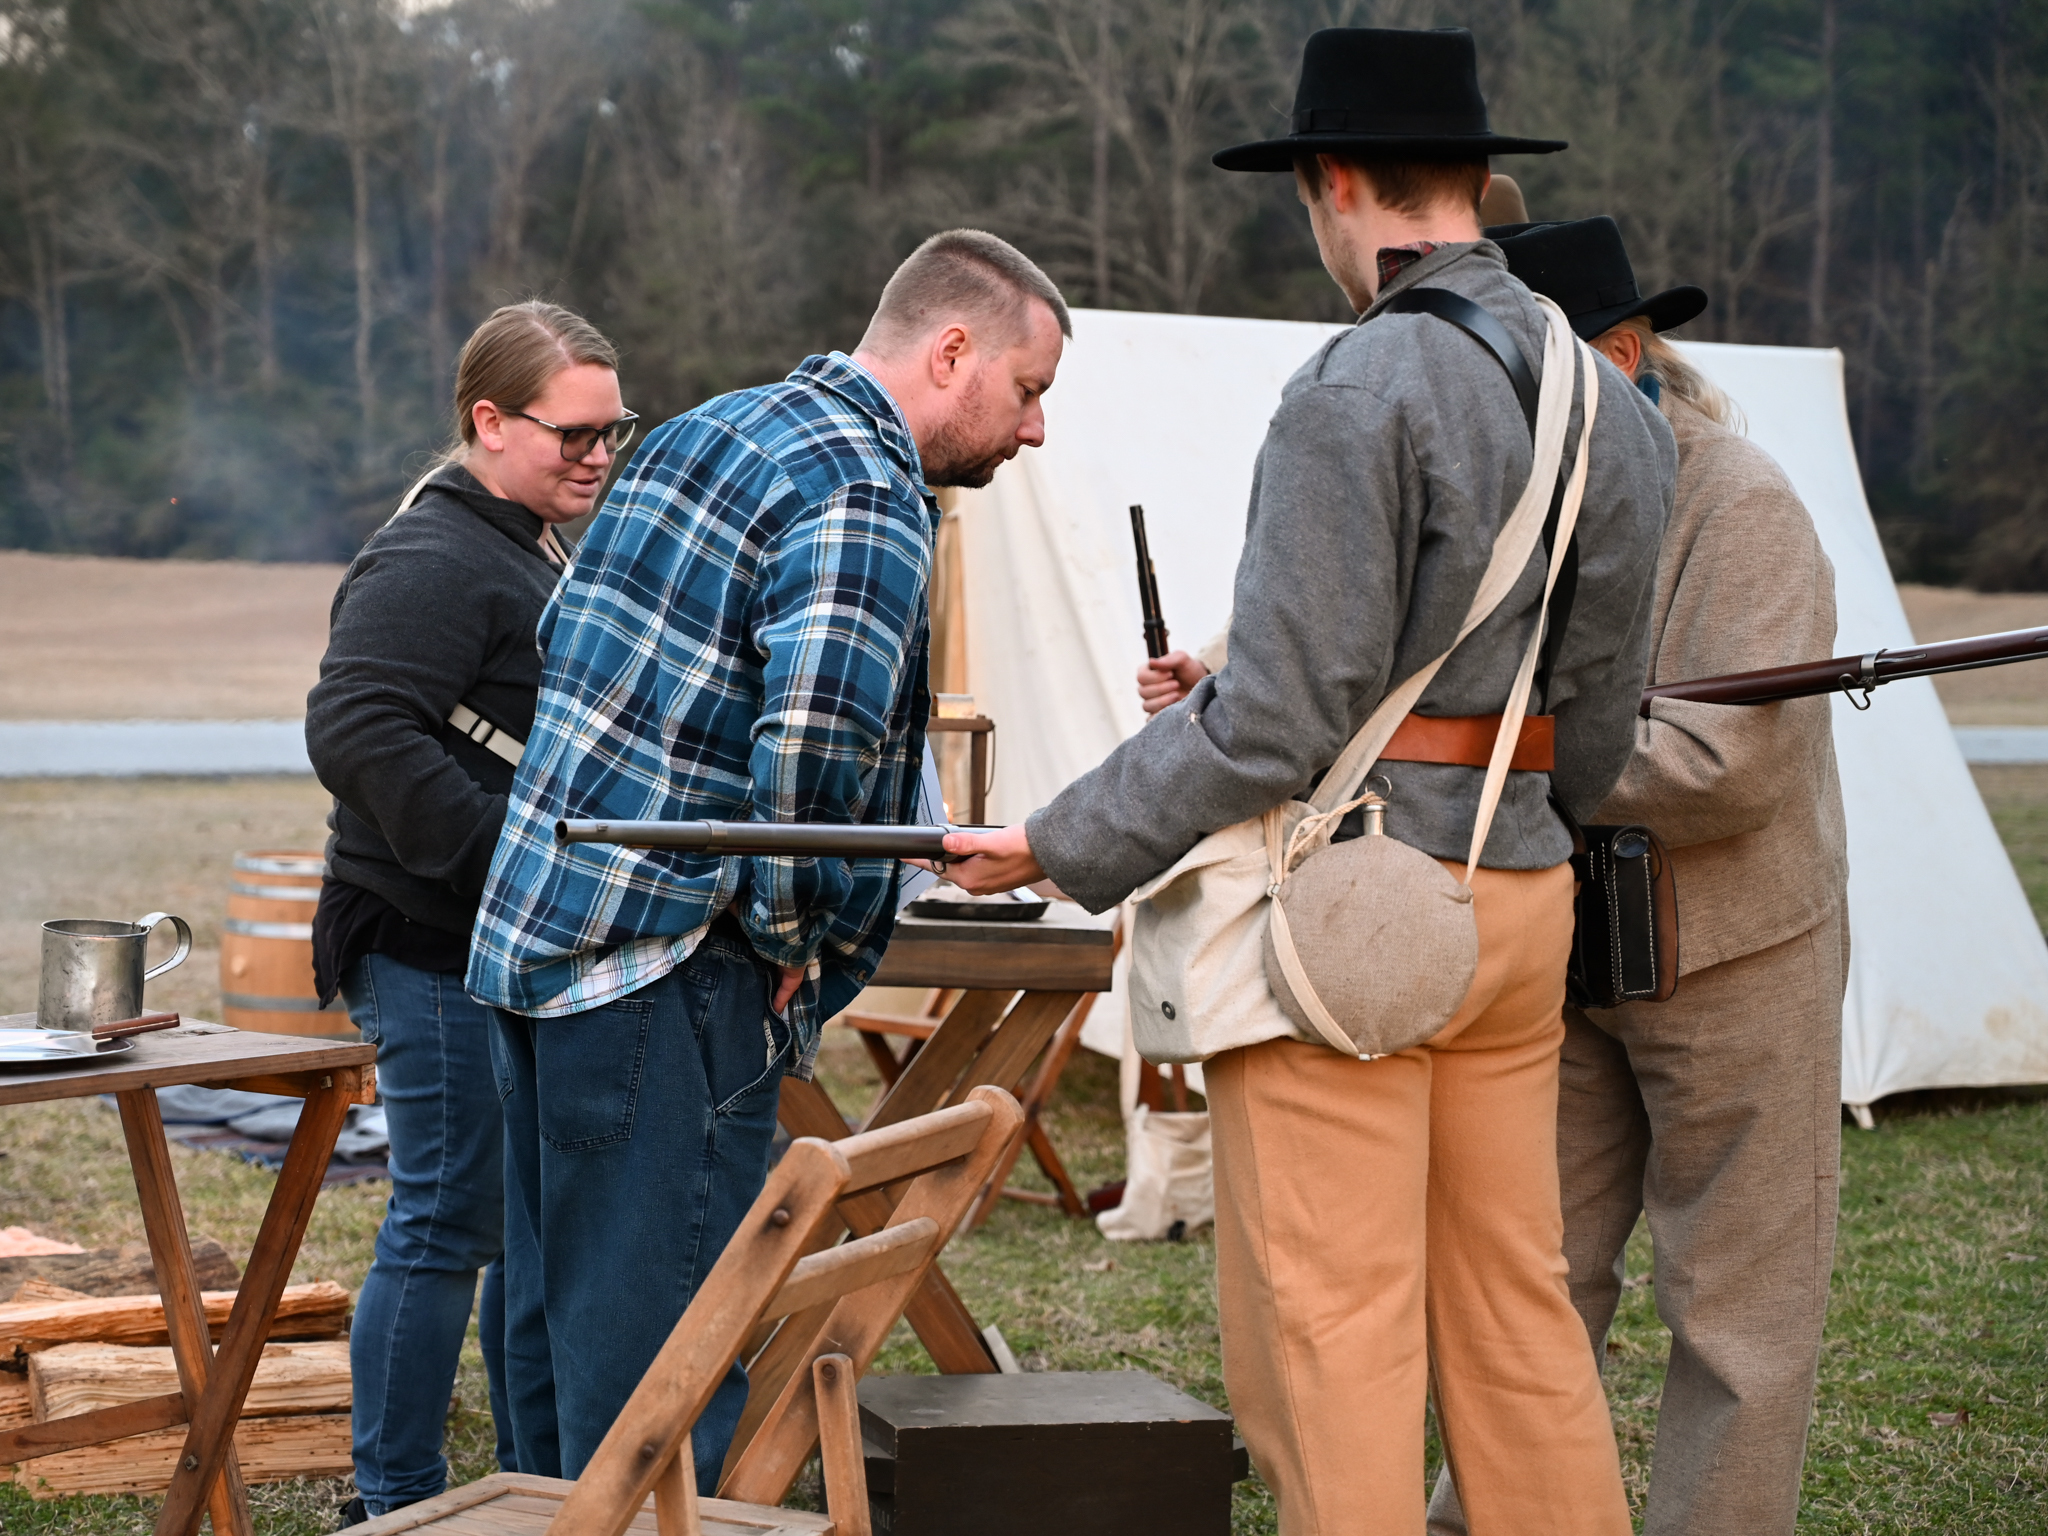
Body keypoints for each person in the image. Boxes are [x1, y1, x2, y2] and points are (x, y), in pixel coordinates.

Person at [939, 27, 1676, 1535]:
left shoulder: (1357, 385)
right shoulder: (1615, 403)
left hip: (1355, 911)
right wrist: (1519, 816)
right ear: (1476, 177)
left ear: (1333, 183)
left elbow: (1271, 725)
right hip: (1524, 892)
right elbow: (1599, 709)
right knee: (1521, 1316)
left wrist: (1056, 842)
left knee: (1335, 1325)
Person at [463, 229, 1070, 1489]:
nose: (1031, 432)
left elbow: (570, 645)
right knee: (665, 1373)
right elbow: (810, 762)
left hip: (542, 943)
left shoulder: (708, 428)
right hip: (667, 970)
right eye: (1027, 391)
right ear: (950, 351)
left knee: (556, 1335)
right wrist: (797, 945)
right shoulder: (864, 488)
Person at [1419, 216, 1847, 1536]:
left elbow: (1726, 769)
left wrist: (1501, 755)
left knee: (1737, 1322)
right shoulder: (1523, 492)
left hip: (1736, 957)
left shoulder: (1745, 506)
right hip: (1564, 948)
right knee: (1528, 1285)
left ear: (1622, 354)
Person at [305, 301, 634, 1523]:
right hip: (423, 940)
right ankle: (390, 1502)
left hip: (494, 944)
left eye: (613, 432)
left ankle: (524, 1486)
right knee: (448, 1216)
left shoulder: (525, 539)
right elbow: (353, 728)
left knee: (513, 1219)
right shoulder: (436, 557)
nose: (597, 456)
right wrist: (506, 863)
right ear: (489, 422)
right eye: (573, 434)